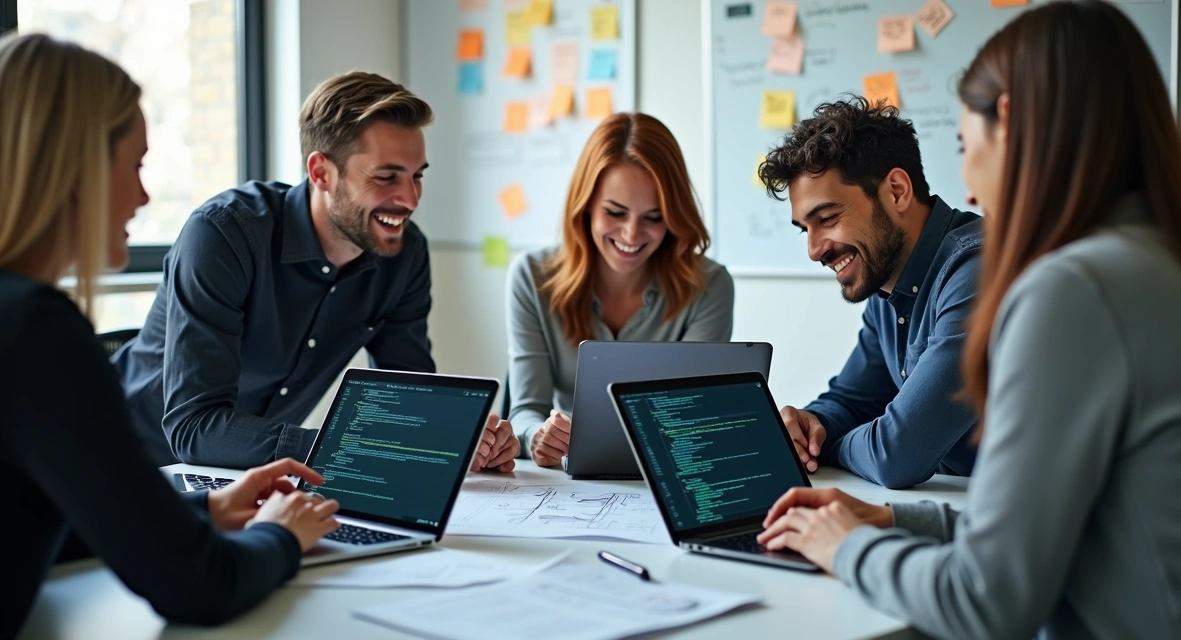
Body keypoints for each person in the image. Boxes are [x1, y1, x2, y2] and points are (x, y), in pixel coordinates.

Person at [757, 2, 1181, 637]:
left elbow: (984, 598)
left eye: (965, 148)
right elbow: (1077, 525)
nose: (970, 190)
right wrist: (894, 521)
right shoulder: (1162, 261)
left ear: (1007, 126)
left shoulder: (1068, 289)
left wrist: (841, 546)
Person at [0, 33, 343, 637]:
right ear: (73, 172)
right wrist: (282, 536)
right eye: (133, 166)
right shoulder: (38, 333)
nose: (143, 196)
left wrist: (204, 510)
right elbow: (198, 585)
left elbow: (27, 518)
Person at [113, 71, 518, 471]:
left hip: (246, 476)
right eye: (386, 177)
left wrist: (458, 437)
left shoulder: (405, 254)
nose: (410, 199)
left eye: (417, 176)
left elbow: (406, 398)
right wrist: (346, 446)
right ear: (321, 172)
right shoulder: (223, 234)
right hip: (125, 463)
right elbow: (194, 427)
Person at [757, 98, 982, 488]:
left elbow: (897, 455)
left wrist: (832, 446)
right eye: (804, 229)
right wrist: (814, 427)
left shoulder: (976, 270)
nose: (814, 250)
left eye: (827, 219)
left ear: (896, 191)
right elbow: (852, 400)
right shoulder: (888, 285)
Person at [508, 113, 734, 465]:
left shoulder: (709, 286)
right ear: (585, 207)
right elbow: (525, 410)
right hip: (570, 480)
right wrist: (537, 436)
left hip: (669, 472)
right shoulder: (532, 277)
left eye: (654, 217)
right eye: (615, 212)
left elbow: (692, 416)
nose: (631, 235)